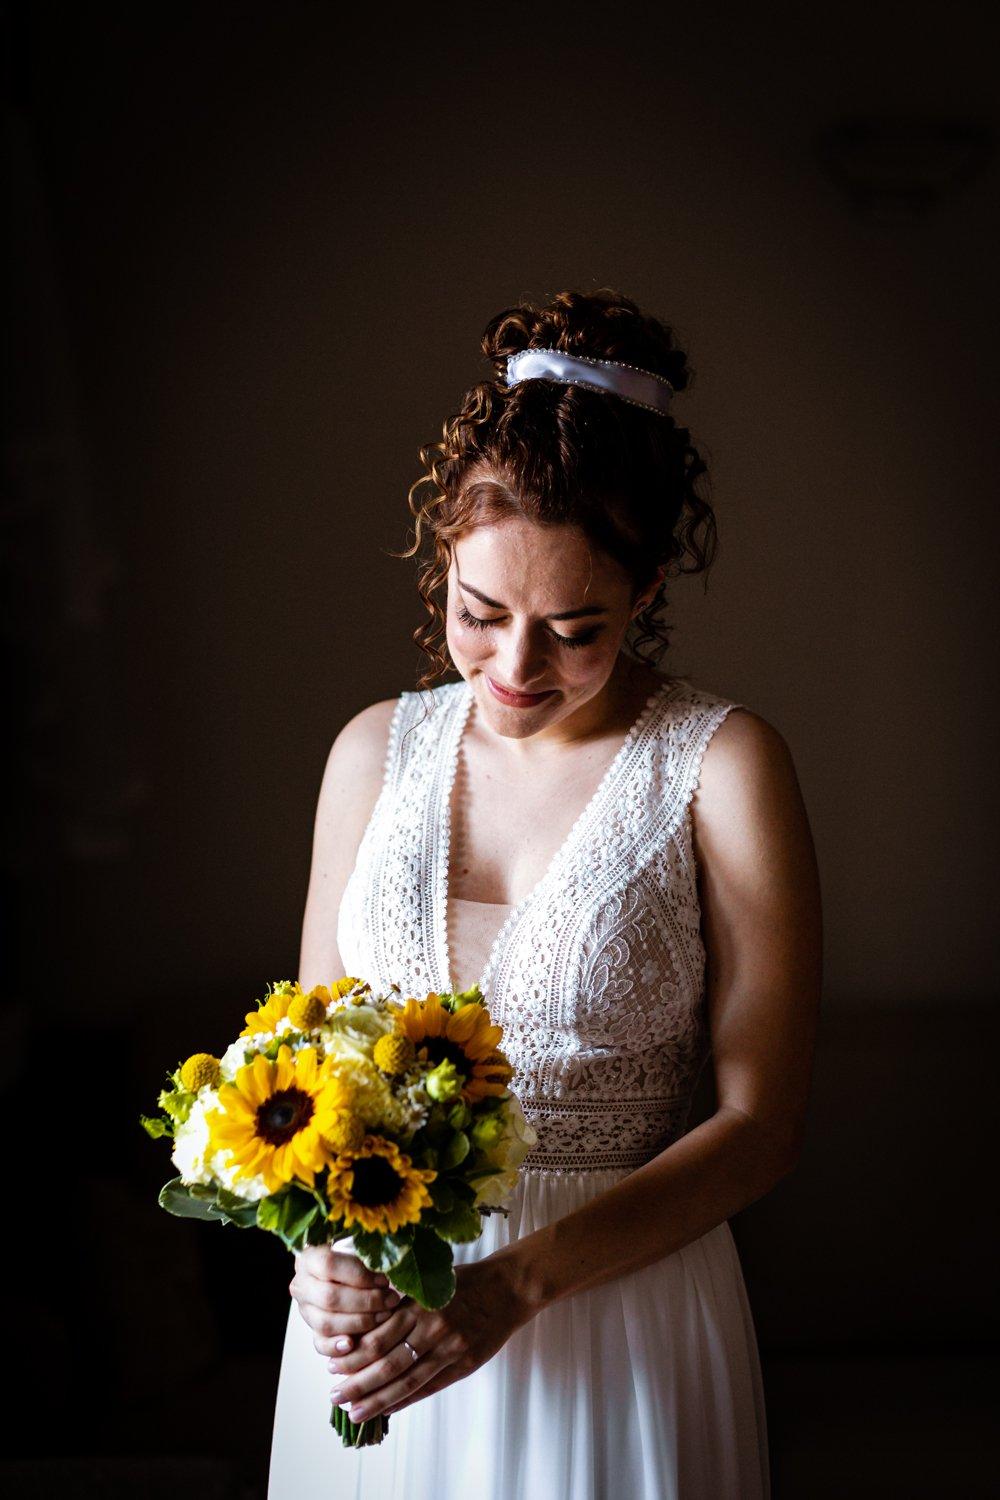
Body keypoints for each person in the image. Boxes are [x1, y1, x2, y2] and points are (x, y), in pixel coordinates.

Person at [267, 288, 822, 1499]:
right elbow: (307, 1071)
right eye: (480, 615)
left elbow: (762, 1125)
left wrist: (513, 1286)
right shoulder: (371, 754)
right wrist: (319, 1253)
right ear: (442, 559)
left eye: (576, 629)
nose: (514, 670)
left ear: (650, 587)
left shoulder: (722, 768)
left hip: (624, 1318)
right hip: (382, 1333)